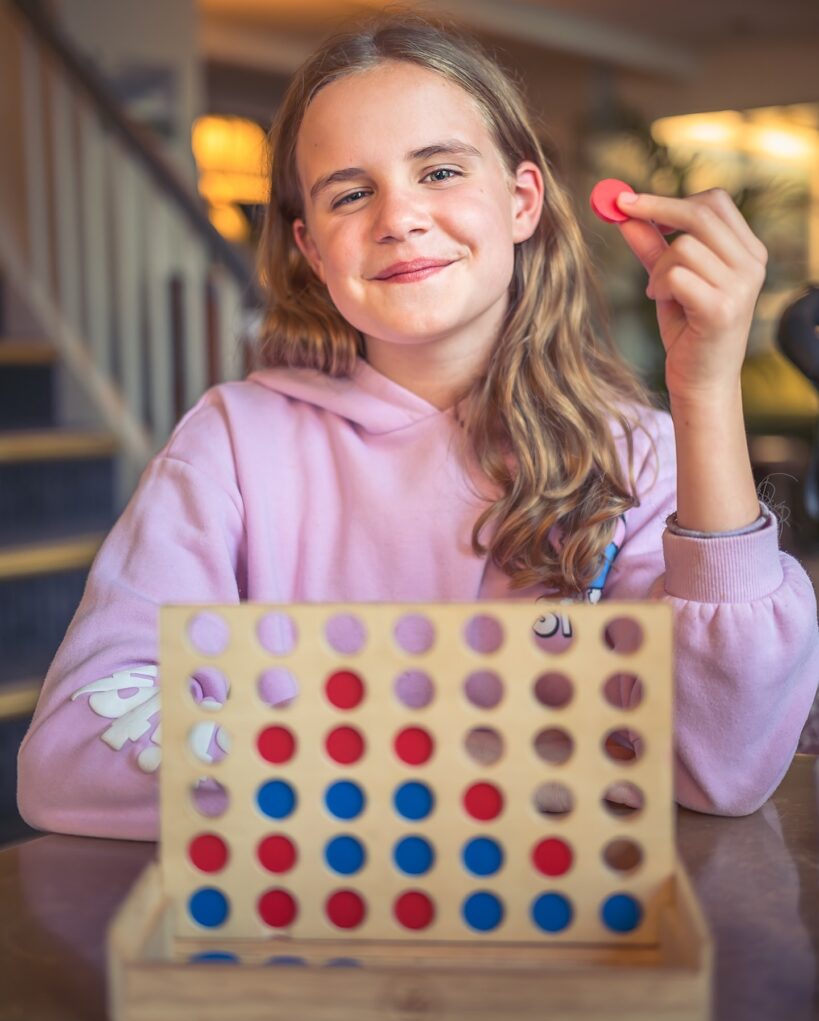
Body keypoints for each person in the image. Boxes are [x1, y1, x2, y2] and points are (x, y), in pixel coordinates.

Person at [17, 15, 818, 840]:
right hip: (299, 946)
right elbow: (74, 753)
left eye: (437, 170)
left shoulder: (636, 454)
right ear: (311, 249)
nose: (398, 217)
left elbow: (719, 761)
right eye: (351, 192)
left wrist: (707, 393)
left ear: (520, 201)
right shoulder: (231, 442)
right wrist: (475, 754)